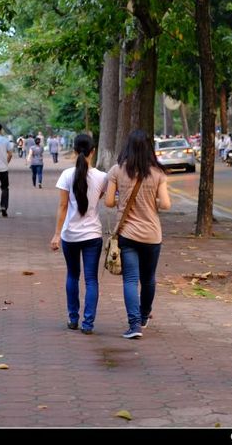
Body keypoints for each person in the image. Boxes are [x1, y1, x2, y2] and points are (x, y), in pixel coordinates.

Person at [104, 129, 171, 339]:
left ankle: (134, 326)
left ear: (128, 147)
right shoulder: (158, 173)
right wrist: (152, 202)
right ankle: (143, 315)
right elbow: (166, 204)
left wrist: (121, 201)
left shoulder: (117, 170)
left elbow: (108, 202)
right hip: (152, 235)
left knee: (131, 280)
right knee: (149, 279)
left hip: (128, 234)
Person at [50, 134, 107, 335]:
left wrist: (57, 234)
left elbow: (63, 206)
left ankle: (73, 318)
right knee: (91, 280)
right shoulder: (102, 177)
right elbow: (103, 197)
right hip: (92, 235)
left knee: (72, 275)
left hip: (70, 235)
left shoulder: (66, 175)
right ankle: (88, 324)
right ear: (93, 151)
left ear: (74, 151)